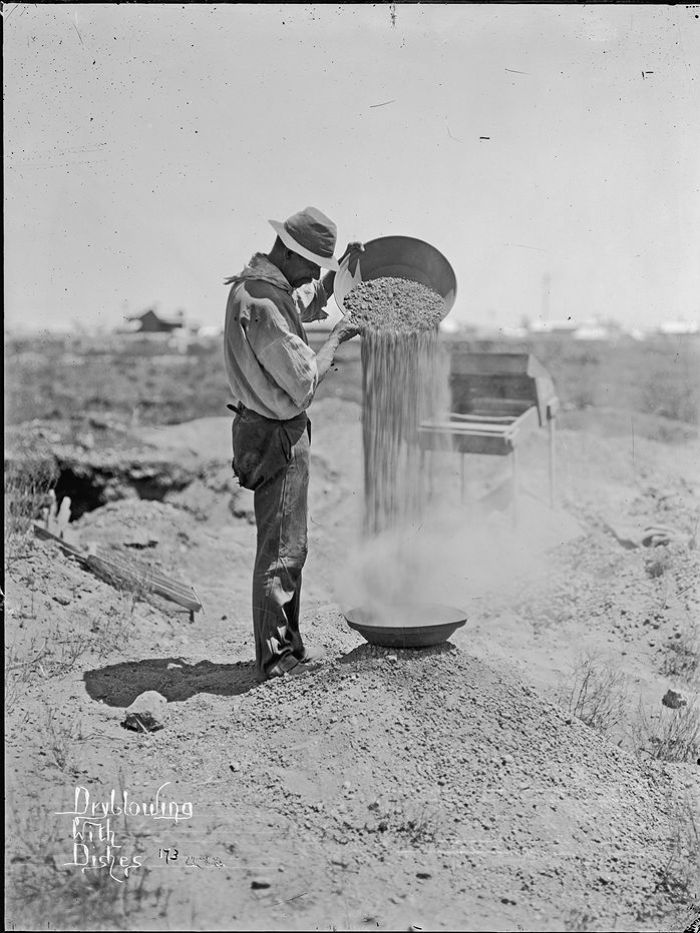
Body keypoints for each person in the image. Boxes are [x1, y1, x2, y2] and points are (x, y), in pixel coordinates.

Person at [223, 207, 363, 681]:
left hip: (258, 427)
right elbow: (303, 383)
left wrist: (335, 279)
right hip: (276, 434)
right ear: (289, 253)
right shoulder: (262, 304)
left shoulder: (258, 288)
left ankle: (288, 648)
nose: (313, 275)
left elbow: (297, 305)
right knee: (283, 551)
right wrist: (340, 334)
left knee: (284, 547)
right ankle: (278, 662)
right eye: (312, 266)